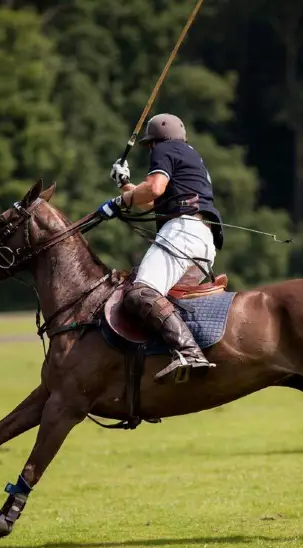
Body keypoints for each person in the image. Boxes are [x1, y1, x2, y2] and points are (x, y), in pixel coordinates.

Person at [96, 113, 224, 384]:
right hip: (203, 240)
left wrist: (118, 202)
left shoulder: (164, 149)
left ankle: (190, 354)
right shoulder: (189, 154)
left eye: (150, 146)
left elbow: (153, 188)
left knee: (139, 293)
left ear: (154, 142)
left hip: (181, 233)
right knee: (156, 303)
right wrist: (124, 185)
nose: (152, 150)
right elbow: (151, 202)